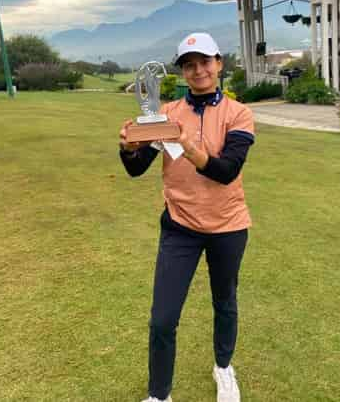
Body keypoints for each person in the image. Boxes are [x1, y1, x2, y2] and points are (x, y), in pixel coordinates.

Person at [119, 32, 255, 402]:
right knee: (163, 317)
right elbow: (135, 168)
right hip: (180, 226)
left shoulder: (238, 113)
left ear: (219, 64)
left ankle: (223, 368)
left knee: (224, 301)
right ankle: (159, 394)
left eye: (205, 62)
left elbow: (227, 171)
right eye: (189, 65)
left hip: (227, 226)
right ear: (182, 71)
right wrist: (129, 147)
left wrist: (190, 149)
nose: (198, 71)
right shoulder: (166, 115)